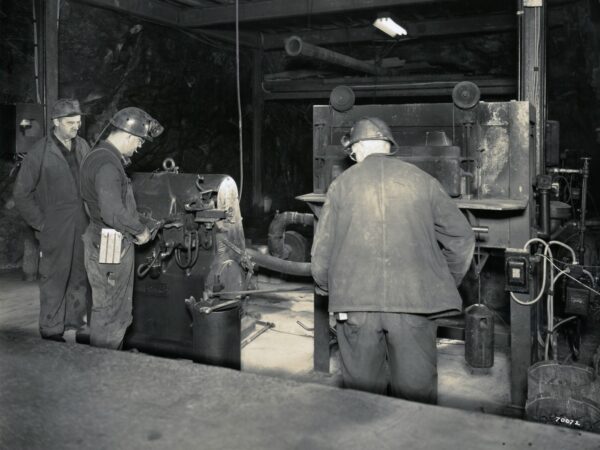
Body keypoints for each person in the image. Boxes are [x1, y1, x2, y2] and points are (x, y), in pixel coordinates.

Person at [311, 117, 475, 404]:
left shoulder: (341, 186)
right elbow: (461, 238)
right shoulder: (423, 181)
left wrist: (329, 289)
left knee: (361, 397)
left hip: (356, 304)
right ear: (388, 147)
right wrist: (440, 280)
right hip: (415, 302)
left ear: (359, 148)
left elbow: (321, 255)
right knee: (415, 396)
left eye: (353, 152)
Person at [79, 107, 163, 349]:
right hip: (110, 244)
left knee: (106, 309)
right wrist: (140, 230)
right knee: (114, 314)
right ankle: (106, 370)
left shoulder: (97, 156)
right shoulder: (107, 164)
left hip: (101, 238)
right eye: (138, 141)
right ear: (127, 136)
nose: (138, 147)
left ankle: (104, 363)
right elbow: (112, 212)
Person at [13, 98, 91, 342]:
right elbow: (21, 193)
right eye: (70, 123)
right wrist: (41, 224)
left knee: (80, 275)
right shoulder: (39, 152)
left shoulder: (83, 146)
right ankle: (51, 329)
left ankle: (76, 323)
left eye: (78, 122)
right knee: (54, 278)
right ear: (56, 123)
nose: (75, 127)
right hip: (54, 226)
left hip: (82, 223)